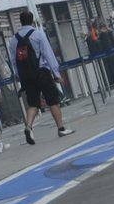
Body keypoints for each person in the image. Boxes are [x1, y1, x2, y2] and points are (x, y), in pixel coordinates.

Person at [9, 11, 73, 143]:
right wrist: (56, 73)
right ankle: (61, 128)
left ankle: (28, 127)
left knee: (33, 103)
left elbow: (13, 60)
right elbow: (48, 53)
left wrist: (18, 75)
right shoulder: (38, 34)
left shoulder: (13, 39)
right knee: (52, 101)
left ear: (20, 21)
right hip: (42, 72)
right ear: (32, 20)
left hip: (26, 76)